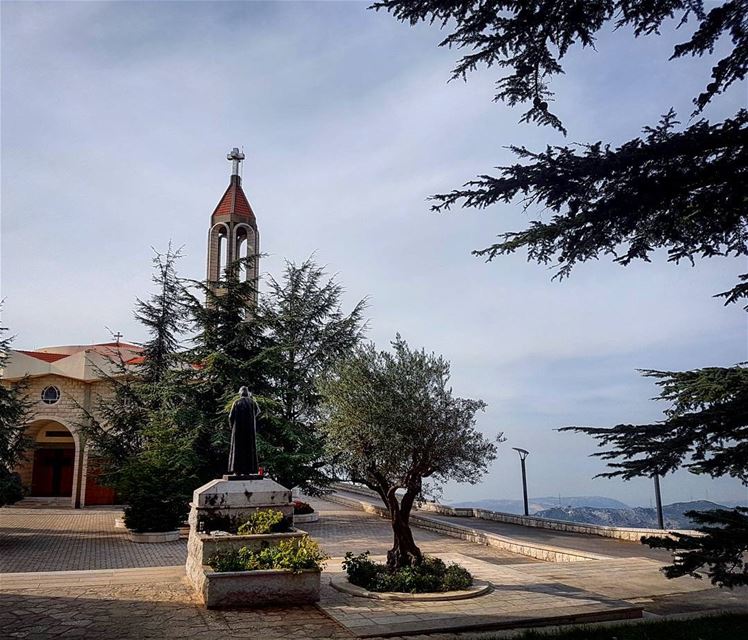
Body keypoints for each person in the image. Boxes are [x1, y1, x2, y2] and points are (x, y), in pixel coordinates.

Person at [227, 386, 261, 477]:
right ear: (247, 393)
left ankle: (237, 470)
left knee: (237, 450)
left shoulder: (236, 402)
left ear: (240, 393)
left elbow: (230, 417)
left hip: (238, 431)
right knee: (249, 449)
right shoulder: (252, 403)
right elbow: (258, 411)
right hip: (249, 431)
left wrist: (232, 427)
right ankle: (248, 470)